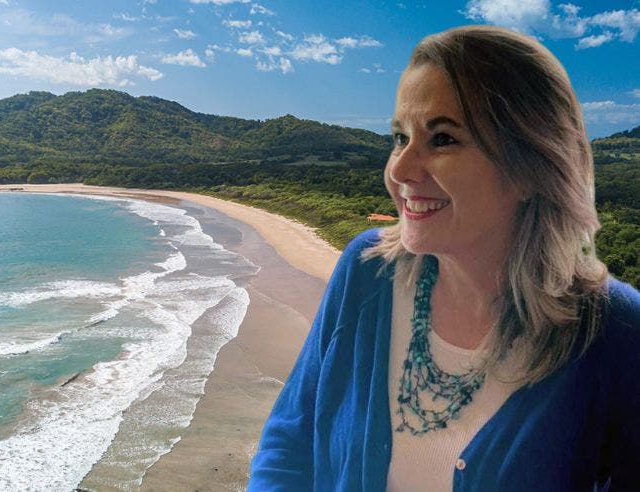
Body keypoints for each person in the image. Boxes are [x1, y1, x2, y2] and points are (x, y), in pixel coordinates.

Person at [248, 25, 640, 491]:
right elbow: (289, 443)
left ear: (533, 167)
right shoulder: (368, 269)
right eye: (400, 137)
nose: (399, 169)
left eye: (443, 139)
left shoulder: (616, 333)